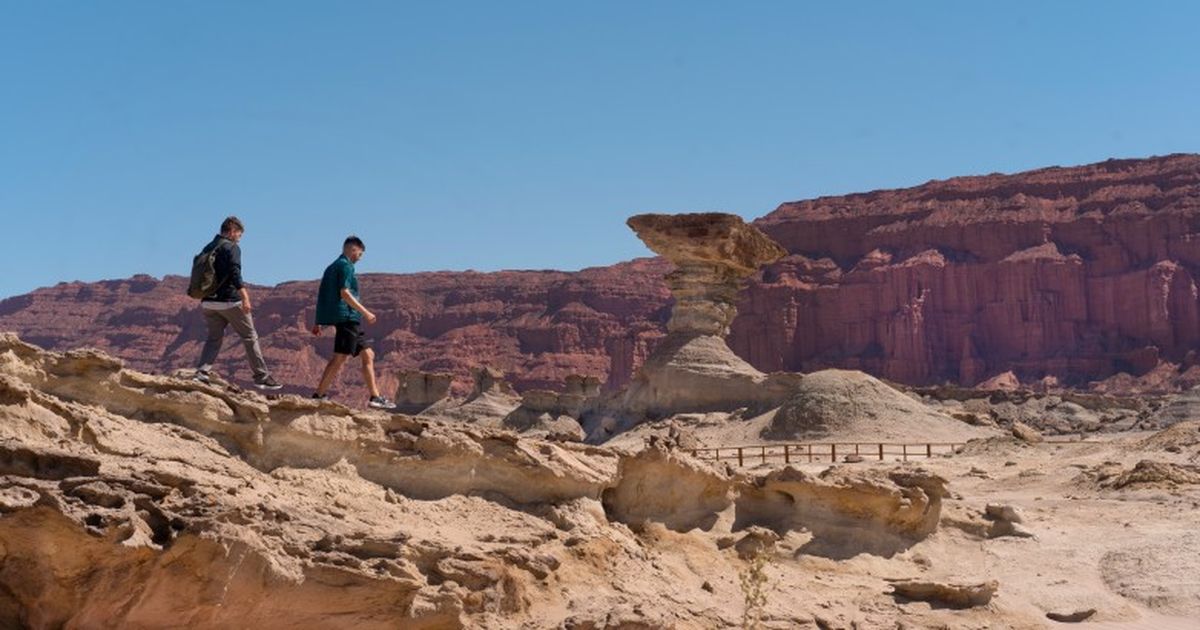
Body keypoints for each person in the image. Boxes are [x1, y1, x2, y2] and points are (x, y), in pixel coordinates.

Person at [194, 216, 282, 389]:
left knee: (214, 338)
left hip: (208, 303)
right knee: (250, 336)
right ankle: (261, 376)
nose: (239, 239)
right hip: (228, 301)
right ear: (233, 231)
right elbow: (235, 273)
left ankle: (201, 372)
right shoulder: (232, 247)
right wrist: (245, 297)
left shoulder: (209, 247)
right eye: (239, 235)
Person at [311, 235, 393, 409]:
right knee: (340, 357)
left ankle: (375, 397)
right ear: (353, 249)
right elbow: (345, 293)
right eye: (360, 254)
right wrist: (365, 312)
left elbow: (323, 294)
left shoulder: (331, 267)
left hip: (348, 317)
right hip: (348, 317)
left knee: (368, 354)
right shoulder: (346, 266)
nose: (359, 258)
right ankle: (318, 395)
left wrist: (319, 321)